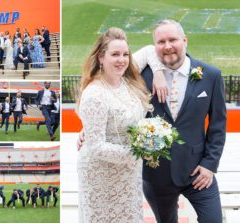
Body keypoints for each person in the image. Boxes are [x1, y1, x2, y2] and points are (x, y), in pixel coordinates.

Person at [134, 19, 226, 223]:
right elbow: (118, 106)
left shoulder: (210, 75)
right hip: (156, 175)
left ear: (185, 40)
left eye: (172, 40)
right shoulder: (140, 77)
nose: (167, 46)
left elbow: (218, 125)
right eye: (161, 41)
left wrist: (210, 165)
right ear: (154, 46)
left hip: (198, 172)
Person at [76, 27, 160, 222]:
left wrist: (159, 72)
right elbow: (96, 146)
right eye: (115, 54)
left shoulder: (126, 81)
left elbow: (149, 50)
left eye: (125, 54)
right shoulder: (94, 94)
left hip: (128, 174)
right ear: (101, 58)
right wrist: (138, 152)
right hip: (101, 175)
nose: (122, 60)